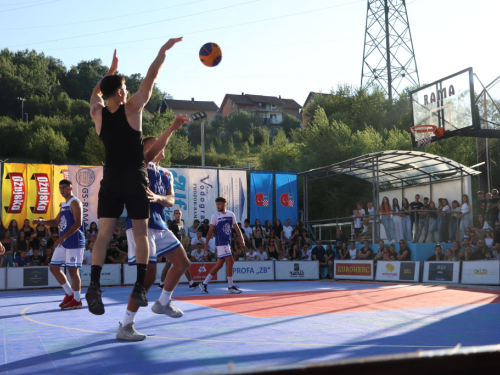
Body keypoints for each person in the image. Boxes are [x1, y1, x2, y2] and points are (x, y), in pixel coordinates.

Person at [86, 37, 188, 315]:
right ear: (120, 93)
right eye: (125, 87)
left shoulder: (98, 114)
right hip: (134, 178)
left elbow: (94, 97)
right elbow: (152, 75)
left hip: (111, 179)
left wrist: (109, 72)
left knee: (104, 235)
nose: (128, 90)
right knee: (141, 232)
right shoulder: (133, 108)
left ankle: (93, 284)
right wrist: (163, 50)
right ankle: (140, 287)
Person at [120, 137, 195, 341]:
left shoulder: (167, 173)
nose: (163, 146)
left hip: (159, 225)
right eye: (156, 144)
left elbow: (171, 201)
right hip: (140, 225)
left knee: (182, 263)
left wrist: (157, 197)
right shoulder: (141, 165)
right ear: (146, 148)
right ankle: (126, 325)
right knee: (148, 277)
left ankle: (163, 302)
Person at [33, 179, 85, 310]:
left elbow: (78, 223)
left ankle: (77, 300)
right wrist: (42, 220)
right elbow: (56, 222)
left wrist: (62, 238)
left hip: (74, 241)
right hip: (64, 241)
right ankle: (69, 293)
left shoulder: (75, 202)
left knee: (73, 270)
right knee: (54, 268)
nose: (62, 190)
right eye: (60, 187)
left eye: (64, 187)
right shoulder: (64, 204)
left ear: (70, 188)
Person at [199, 197, 245, 294]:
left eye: (219, 204)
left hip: (227, 242)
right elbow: (210, 231)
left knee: (219, 265)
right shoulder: (215, 216)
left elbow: (236, 228)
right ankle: (230, 286)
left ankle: (204, 283)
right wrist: (206, 245)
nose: (217, 206)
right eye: (216, 204)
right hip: (220, 242)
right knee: (231, 262)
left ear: (224, 204)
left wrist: (242, 239)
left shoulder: (231, 214)